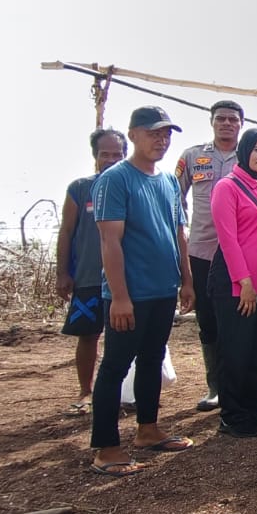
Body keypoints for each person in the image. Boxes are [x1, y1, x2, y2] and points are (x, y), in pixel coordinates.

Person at [89, 106, 195, 476]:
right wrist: (119, 296)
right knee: (116, 366)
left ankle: (148, 429)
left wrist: (186, 279)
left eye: (166, 134)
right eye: (153, 133)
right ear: (133, 134)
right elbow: (109, 241)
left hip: (163, 290)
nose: (161, 140)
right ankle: (106, 446)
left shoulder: (167, 181)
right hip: (129, 294)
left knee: (152, 359)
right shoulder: (115, 180)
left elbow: (178, 234)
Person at [210, 129, 257, 438]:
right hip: (237, 285)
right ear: (245, 151)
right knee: (236, 349)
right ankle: (232, 414)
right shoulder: (227, 187)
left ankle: (253, 408)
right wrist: (245, 283)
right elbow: (228, 241)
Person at [175, 100, 243, 412]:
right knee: (208, 320)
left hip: (239, 255)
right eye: (221, 119)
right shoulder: (192, 156)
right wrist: (181, 230)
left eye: (232, 119)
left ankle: (242, 385)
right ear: (212, 121)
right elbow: (175, 198)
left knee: (240, 321)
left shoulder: (250, 156)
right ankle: (215, 386)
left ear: (241, 124)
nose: (227, 124)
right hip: (202, 250)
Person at [56, 128, 126, 416]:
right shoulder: (81, 188)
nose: (110, 160)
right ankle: (86, 391)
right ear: (95, 156)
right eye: (104, 154)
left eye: (117, 155)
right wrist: (62, 272)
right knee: (88, 335)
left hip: (123, 278)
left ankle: (122, 392)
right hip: (88, 276)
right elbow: (67, 231)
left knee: (124, 336)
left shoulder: (130, 187)